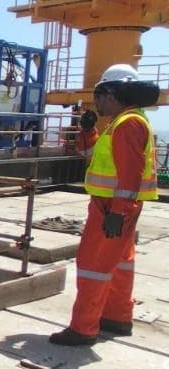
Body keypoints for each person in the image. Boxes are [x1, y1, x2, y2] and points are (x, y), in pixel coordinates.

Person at [50, 64, 159, 347]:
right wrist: (86, 131)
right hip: (116, 206)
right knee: (121, 263)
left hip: (111, 207)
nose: (95, 102)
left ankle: (83, 328)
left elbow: (129, 173)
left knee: (93, 264)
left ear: (112, 94)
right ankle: (117, 316)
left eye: (98, 96)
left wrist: (117, 211)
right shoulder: (122, 122)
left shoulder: (128, 124)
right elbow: (91, 154)